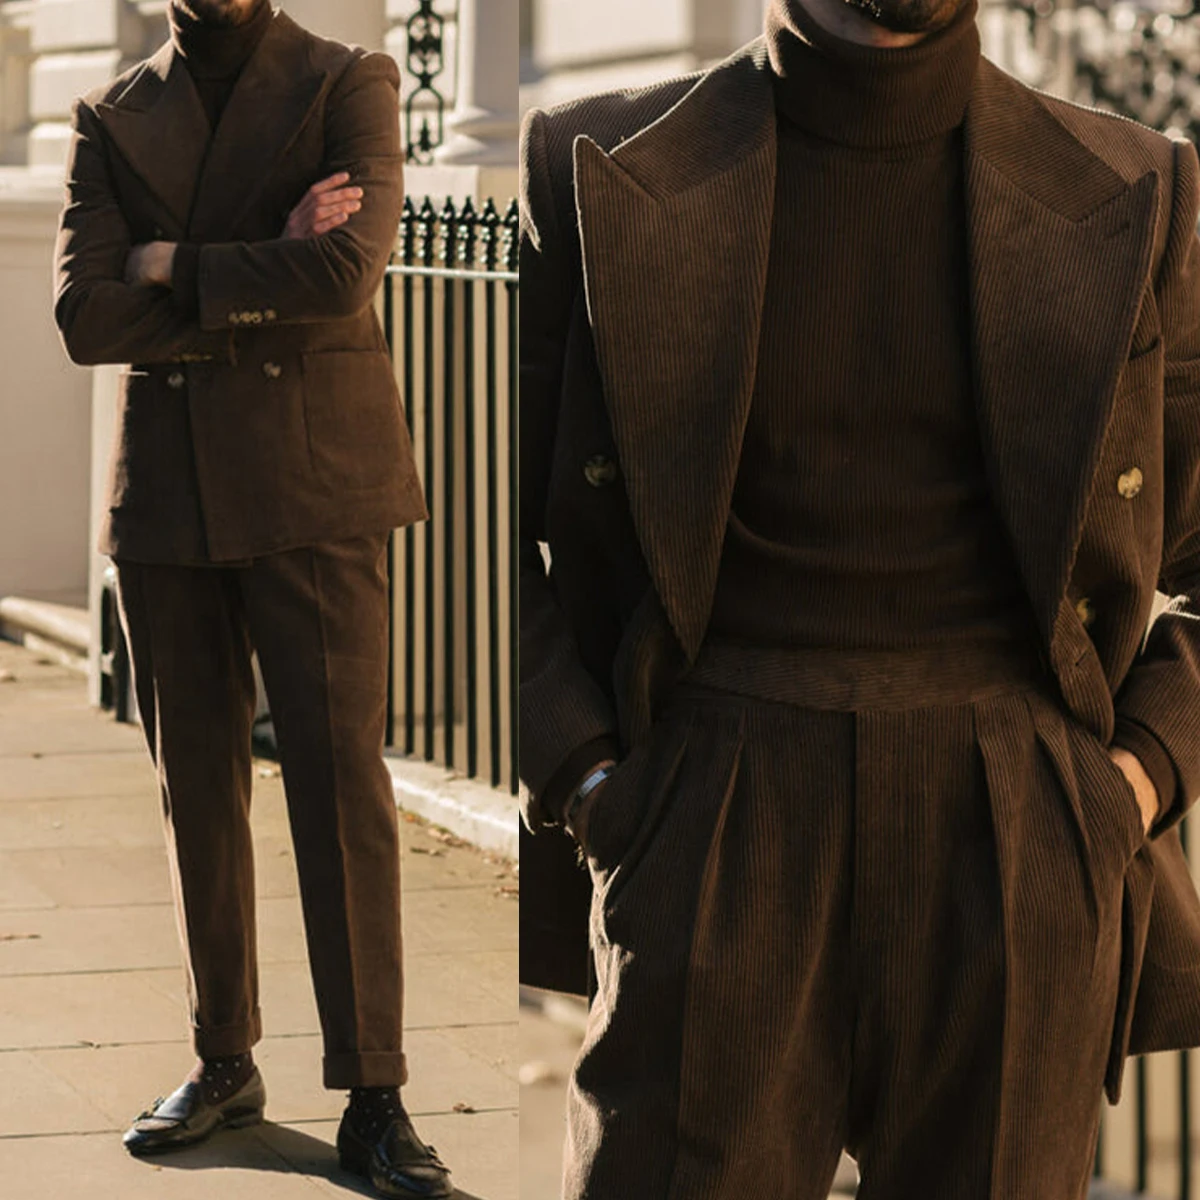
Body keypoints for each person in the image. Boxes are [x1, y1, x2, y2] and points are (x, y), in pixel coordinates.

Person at [519, 0, 1200, 1193]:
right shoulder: (594, 167)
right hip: (708, 811)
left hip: (1024, 829)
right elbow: (489, 536)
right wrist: (590, 784)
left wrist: (1135, 779)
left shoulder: (1142, 187)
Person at [53, 2, 450, 1196]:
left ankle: (375, 1094)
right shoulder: (111, 112)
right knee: (198, 795)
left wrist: (171, 262)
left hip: (316, 485)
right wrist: (252, 257)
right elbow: (84, 315)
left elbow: (342, 272)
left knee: (340, 789)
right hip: (171, 499)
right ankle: (223, 1059)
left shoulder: (348, 80)